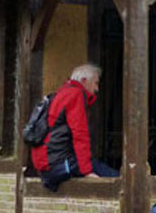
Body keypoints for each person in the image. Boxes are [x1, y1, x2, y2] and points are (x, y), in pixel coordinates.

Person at [31, 63, 119, 191]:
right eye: (95, 83)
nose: (97, 89)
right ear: (84, 81)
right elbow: (80, 135)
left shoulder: (59, 94)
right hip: (59, 164)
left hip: (45, 166)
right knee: (118, 180)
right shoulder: (76, 95)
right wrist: (87, 171)